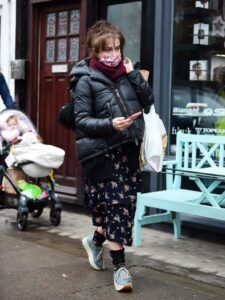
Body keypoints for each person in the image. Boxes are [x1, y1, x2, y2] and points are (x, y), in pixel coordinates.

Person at [69, 20, 154, 292]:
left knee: (123, 208)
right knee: (116, 207)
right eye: (107, 49)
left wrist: (134, 75)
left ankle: (95, 242)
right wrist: (110, 125)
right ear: (95, 51)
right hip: (103, 153)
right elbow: (82, 120)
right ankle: (121, 269)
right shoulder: (84, 80)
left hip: (128, 151)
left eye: (117, 48)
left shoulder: (128, 72)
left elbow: (148, 101)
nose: (113, 54)